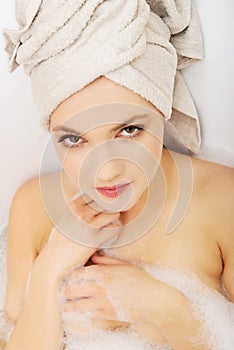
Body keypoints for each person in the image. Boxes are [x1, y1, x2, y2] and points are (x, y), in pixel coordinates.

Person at [1, 1, 234, 350]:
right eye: (73, 139)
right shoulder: (32, 206)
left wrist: (165, 310)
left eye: (128, 130)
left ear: (162, 109)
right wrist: (50, 268)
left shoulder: (222, 202)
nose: (107, 171)